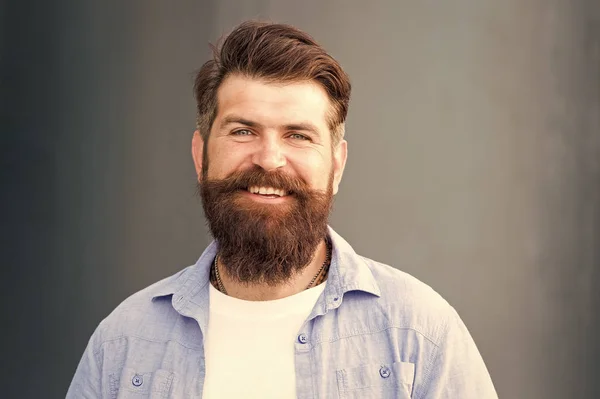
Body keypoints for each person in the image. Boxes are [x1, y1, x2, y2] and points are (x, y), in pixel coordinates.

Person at [67, 20, 498, 398]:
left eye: (298, 135)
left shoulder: (420, 334)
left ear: (336, 164)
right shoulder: (123, 341)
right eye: (242, 131)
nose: (269, 159)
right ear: (201, 156)